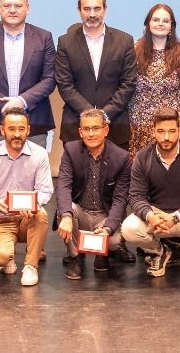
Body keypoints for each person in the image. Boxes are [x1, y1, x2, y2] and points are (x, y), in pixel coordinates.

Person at [120, 109, 180, 282]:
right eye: (161, 131)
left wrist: (176, 216)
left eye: (172, 131)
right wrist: (150, 216)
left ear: (179, 131)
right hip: (156, 219)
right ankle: (159, 252)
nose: (166, 137)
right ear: (153, 131)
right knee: (128, 228)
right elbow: (135, 196)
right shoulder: (142, 157)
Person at [0, 108, 54, 286]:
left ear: (28, 130)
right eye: (11, 129)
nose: (17, 134)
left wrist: (34, 204)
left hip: (27, 218)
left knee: (41, 214)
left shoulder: (39, 154)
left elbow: (45, 189)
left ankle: (31, 266)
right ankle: (5, 256)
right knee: (1, 257)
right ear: (2, 130)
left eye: (21, 129)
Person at [54, 0, 137, 148]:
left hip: (115, 126)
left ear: (105, 9)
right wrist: (91, 117)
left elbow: (128, 83)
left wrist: (105, 115)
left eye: (97, 8)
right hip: (75, 128)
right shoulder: (65, 42)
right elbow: (65, 85)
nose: (92, 14)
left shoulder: (125, 41)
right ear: (79, 10)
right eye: (87, 9)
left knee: (116, 174)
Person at [0, 0, 57, 149]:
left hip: (34, 120)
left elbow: (50, 78)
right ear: (0, 8)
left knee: (34, 173)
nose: (12, 10)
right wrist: (6, 106)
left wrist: (22, 101)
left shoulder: (44, 37)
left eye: (18, 6)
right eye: (7, 6)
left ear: (28, 8)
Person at [54, 108, 131, 280]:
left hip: (105, 215)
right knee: (67, 210)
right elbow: (63, 185)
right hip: (81, 212)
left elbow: (120, 199)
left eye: (95, 128)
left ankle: (102, 254)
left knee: (114, 241)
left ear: (105, 130)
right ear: (80, 132)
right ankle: (76, 258)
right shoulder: (71, 150)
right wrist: (66, 216)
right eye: (86, 129)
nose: (91, 133)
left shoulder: (122, 157)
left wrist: (108, 228)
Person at [127, 3, 180, 157]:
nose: (160, 24)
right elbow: (124, 86)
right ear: (148, 23)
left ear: (171, 25)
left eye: (165, 21)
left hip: (170, 128)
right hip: (138, 129)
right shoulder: (133, 50)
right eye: (156, 20)